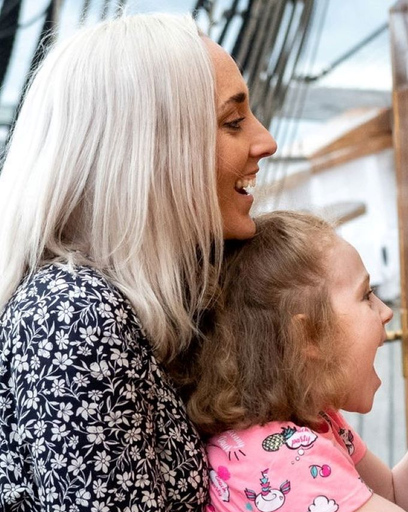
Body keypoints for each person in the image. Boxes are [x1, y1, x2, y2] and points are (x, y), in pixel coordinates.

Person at [0, 13, 276, 510]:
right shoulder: (72, 316)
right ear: (148, 151)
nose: (266, 141)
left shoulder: (136, 308)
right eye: (233, 121)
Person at [187, 211, 408, 512]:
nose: (386, 311)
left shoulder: (316, 421)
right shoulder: (278, 460)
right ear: (309, 337)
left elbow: (395, 494)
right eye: (366, 295)